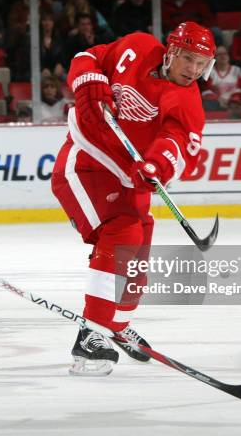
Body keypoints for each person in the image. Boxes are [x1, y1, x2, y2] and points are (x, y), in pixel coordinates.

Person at [51, 22, 216, 375]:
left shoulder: (187, 100)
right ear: (170, 51)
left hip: (128, 176)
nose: (194, 70)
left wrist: (157, 164)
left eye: (202, 63)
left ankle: (115, 322)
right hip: (85, 162)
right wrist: (89, 81)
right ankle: (91, 332)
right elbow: (88, 57)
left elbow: (178, 143)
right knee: (123, 231)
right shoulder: (137, 45)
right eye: (189, 58)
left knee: (139, 247)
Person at [201, 45, 241, 112]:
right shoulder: (209, 72)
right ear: (214, 57)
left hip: (234, 102)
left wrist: (232, 100)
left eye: (225, 54)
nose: (223, 56)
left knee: (236, 105)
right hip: (215, 103)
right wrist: (218, 99)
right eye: (219, 54)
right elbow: (205, 91)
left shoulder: (237, 70)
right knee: (210, 104)